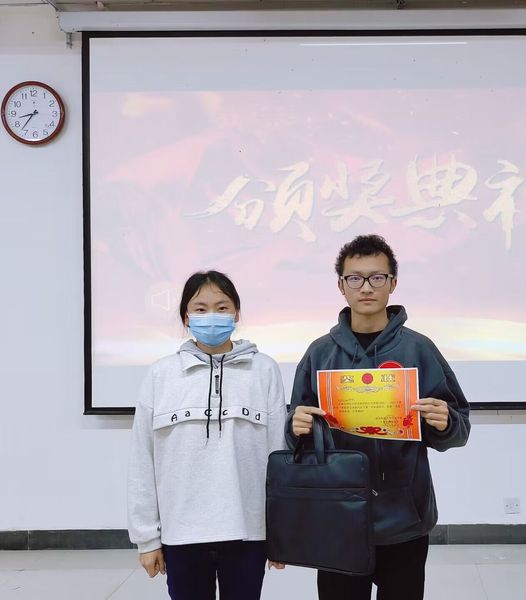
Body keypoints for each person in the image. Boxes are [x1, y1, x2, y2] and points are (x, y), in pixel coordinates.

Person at [288, 234, 471, 600]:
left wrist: (445, 422)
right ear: (341, 285)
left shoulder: (418, 349)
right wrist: (295, 428)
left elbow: (459, 427)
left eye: (377, 277)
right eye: (355, 278)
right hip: (339, 516)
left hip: (405, 516)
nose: (366, 287)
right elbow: (296, 431)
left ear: (393, 283)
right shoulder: (319, 353)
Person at [127, 270, 287, 600]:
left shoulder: (264, 370)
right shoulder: (161, 375)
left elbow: (279, 458)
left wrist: (282, 534)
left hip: (248, 532)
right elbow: (143, 461)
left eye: (222, 307)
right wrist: (147, 540)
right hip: (181, 534)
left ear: (237, 314)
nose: (211, 316)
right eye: (200, 309)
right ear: (186, 317)